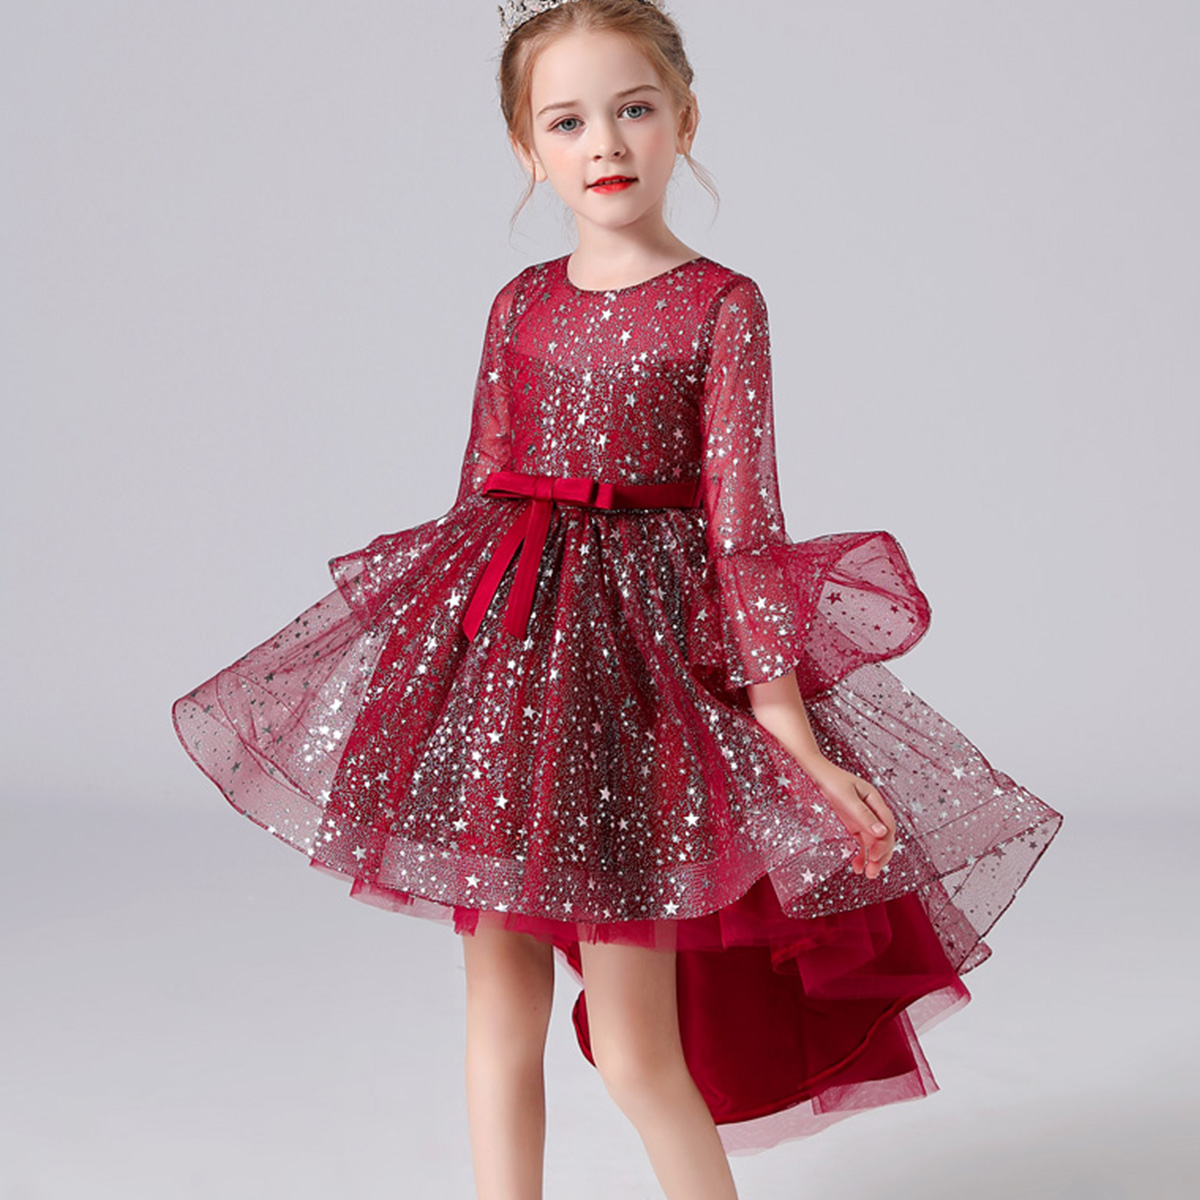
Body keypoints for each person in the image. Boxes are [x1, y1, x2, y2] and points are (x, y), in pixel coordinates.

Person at [172, 2, 1064, 1197]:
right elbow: (477, 500)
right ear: (524, 147)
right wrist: (440, 688)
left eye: (634, 109)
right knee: (497, 1020)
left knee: (641, 1053)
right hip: (512, 682)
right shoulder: (520, 304)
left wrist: (790, 737)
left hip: (638, 692)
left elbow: (745, 534)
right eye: (567, 121)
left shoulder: (721, 305)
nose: (604, 142)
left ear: (684, 121)